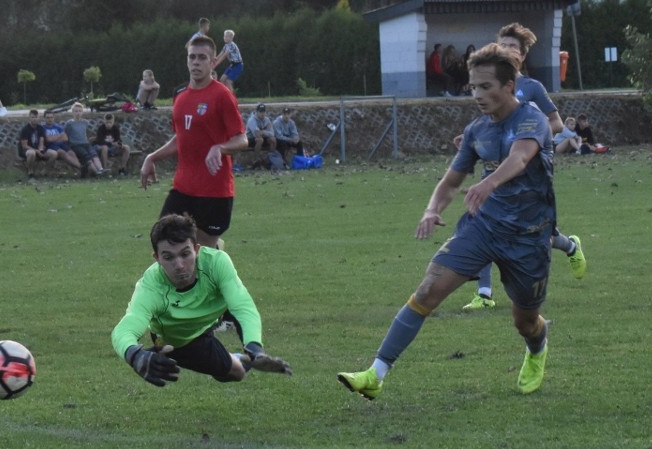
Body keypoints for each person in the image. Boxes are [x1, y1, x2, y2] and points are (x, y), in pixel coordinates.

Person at [338, 43, 556, 400]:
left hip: (529, 236)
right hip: (484, 227)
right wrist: (431, 209)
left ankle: (537, 346)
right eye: (472, 86)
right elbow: (451, 181)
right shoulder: (476, 131)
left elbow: (520, 157)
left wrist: (488, 182)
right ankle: (375, 373)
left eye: (485, 86)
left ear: (508, 86)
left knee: (525, 322)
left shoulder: (532, 119)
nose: (477, 94)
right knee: (428, 290)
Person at [459, 22, 586, 311]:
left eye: (513, 47)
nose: (506, 50)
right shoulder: (490, 84)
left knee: (534, 233)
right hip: (495, 169)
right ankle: (484, 293)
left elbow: (554, 123)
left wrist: (530, 137)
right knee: (483, 224)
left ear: (523, 55)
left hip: (529, 173)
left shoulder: (532, 88)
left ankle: (570, 246)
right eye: (502, 45)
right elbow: (489, 124)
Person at [111, 213, 291, 387]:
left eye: (185, 254)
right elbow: (124, 329)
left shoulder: (216, 263)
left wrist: (255, 349)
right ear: (156, 258)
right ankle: (235, 359)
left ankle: (241, 356)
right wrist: (134, 355)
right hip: (182, 340)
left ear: (197, 249)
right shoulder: (150, 287)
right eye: (168, 257)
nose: (179, 265)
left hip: (210, 320)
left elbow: (242, 306)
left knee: (233, 309)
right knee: (237, 373)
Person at [139, 35, 247, 250]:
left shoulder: (222, 96)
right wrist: (152, 157)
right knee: (164, 241)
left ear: (213, 62)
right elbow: (181, 137)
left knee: (203, 256)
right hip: (183, 186)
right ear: (187, 60)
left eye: (202, 58)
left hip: (215, 190)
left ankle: (216, 253)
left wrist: (220, 147)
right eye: (192, 57)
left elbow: (242, 139)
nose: (196, 62)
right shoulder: (180, 96)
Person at [64, 102, 106, 177]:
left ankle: (101, 169)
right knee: (86, 156)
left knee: (94, 154)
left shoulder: (85, 122)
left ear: (82, 112)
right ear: (72, 112)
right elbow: (66, 135)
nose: (78, 113)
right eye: (76, 111)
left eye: (80, 111)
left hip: (86, 143)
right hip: (75, 145)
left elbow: (87, 133)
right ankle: (96, 172)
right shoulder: (69, 123)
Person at [18, 109, 55, 178]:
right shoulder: (25, 129)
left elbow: (41, 141)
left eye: (36, 117)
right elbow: (24, 146)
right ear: (29, 118)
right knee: (31, 153)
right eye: (33, 117)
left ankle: (44, 172)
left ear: (39, 118)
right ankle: (30, 172)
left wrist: (41, 150)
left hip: (38, 150)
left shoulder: (40, 128)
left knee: (53, 153)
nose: (35, 119)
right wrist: (37, 151)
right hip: (27, 150)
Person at [43, 110, 81, 174]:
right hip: (50, 146)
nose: (50, 119)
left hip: (61, 144)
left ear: (54, 118)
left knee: (72, 153)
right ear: (44, 118)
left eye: (51, 117)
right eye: (48, 117)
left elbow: (65, 138)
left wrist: (54, 138)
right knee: (62, 152)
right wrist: (60, 136)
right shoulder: (42, 128)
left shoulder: (58, 127)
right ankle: (81, 167)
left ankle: (80, 170)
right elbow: (48, 140)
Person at [213, 29, 243, 94]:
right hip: (232, 65)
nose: (225, 38)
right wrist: (214, 60)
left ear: (231, 38)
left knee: (228, 81)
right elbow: (220, 54)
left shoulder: (231, 45)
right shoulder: (226, 45)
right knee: (222, 79)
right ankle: (225, 94)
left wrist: (215, 65)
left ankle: (232, 97)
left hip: (238, 65)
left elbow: (224, 56)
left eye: (227, 36)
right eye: (224, 36)